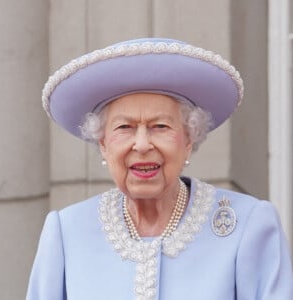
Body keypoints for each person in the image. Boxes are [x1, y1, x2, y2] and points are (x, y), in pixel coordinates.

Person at [26, 38, 293, 299]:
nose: (142, 144)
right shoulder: (67, 231)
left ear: (189, 139)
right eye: (125, 127)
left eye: (160, 126)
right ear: (104, 144)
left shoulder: (247, 225)